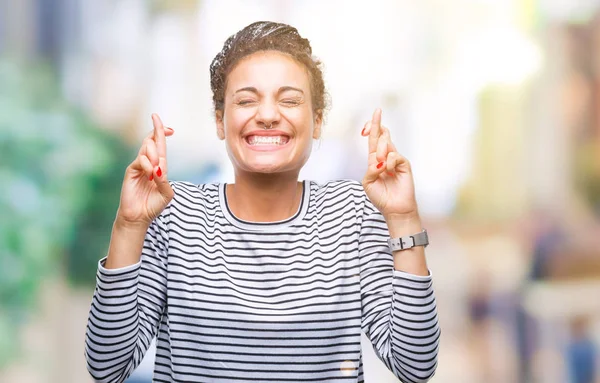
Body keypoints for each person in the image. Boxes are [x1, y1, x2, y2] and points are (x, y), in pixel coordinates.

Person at [84, 21, 440, 383]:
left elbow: (415, 367)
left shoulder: (352, 214)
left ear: (317, 122)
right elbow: (107, 366)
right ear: (220, 121)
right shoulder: (174, 214)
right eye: (247, 100)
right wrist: (128, 225)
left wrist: (403, 217)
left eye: (289, 100)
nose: (268, 115)